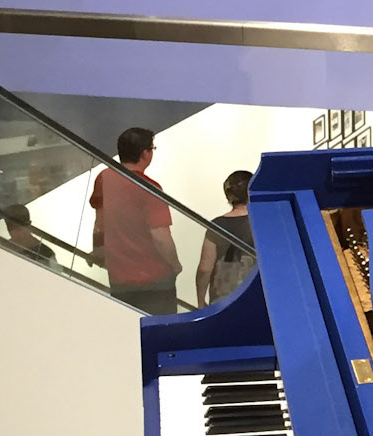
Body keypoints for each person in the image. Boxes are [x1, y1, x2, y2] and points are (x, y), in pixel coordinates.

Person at [89, 127, 181, 315]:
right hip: (155, 280)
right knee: (161, 334)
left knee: (128, 332)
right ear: (145, 153)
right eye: (152, 149)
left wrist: (98, 248)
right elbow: (161, 237)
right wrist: (175, 265)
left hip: (119, 278)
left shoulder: (103, 178)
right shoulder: (150, 189)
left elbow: (99, 221)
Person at [196, 170, 256, 307]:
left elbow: (205, 267)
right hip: (255, 297)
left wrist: (200, 301)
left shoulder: (217, 225)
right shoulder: (261, 222)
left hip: (222, 300)